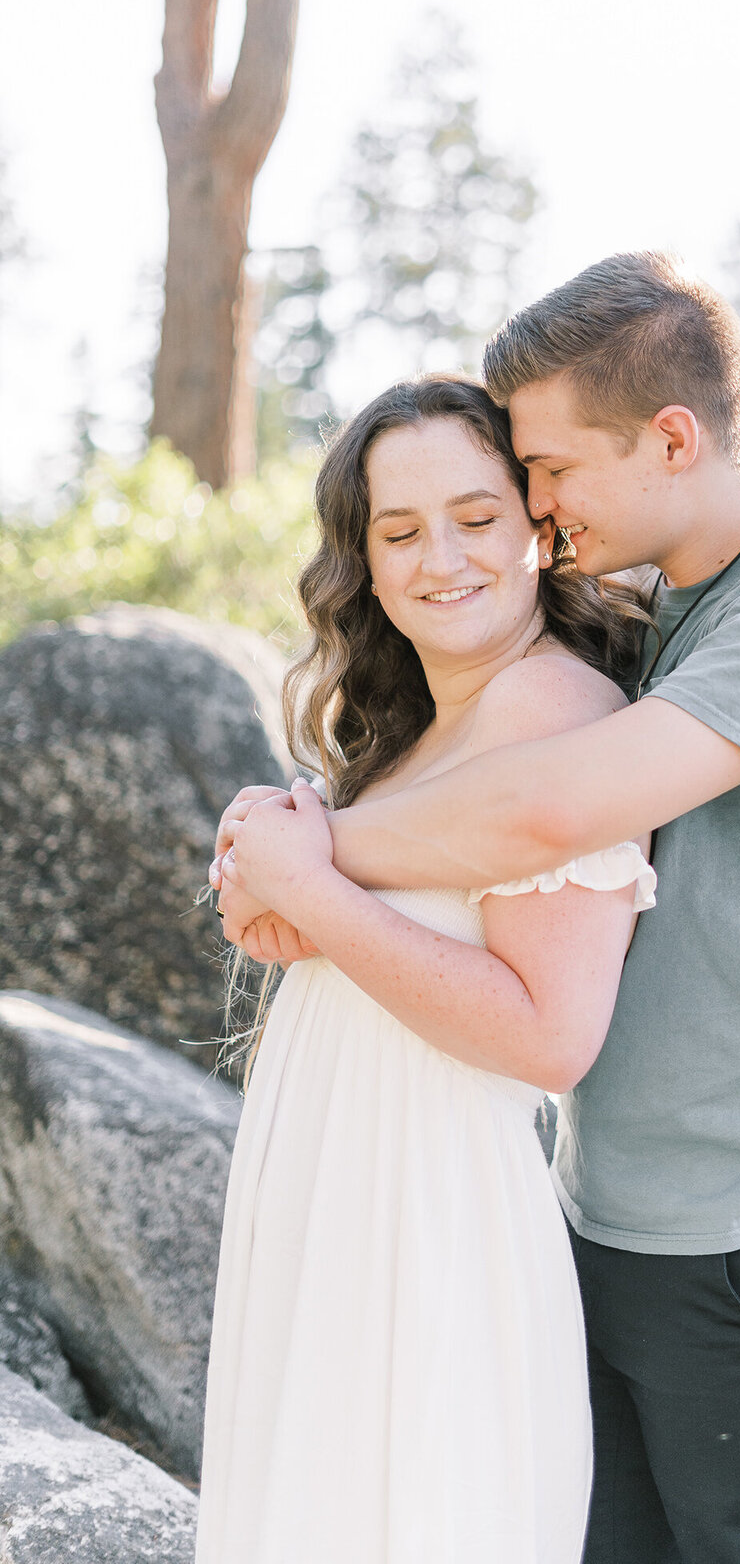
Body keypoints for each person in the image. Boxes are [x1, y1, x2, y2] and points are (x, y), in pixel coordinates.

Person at [217, 251, 740, 1564]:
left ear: (670, 437)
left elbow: (551, 813)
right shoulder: (673, 615)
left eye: (542, 475)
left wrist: (308, 864)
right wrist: (290, 863)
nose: (537, 509)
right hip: (616, 1211)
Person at [196, 376, 657, 1564]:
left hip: (433, 1228)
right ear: (363, 559)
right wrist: (287, 890)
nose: (439, 559)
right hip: (338, 1209)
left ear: (537, 529)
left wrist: (306, 888)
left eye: (475, 517)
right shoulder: (415, 734)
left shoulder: (554, 706)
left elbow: (552, 1034)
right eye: (398, 533)